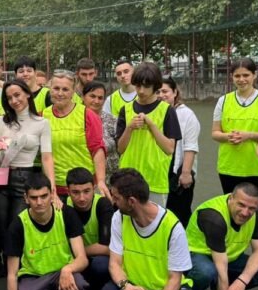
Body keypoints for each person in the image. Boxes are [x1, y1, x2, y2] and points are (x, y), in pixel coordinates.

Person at [98, 169, 200, 290]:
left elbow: (174, 279)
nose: (113, 201)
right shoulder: (119, 218)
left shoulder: (173, 228)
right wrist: (126, 286)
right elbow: (114, 263)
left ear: (131, 201)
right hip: (134, 288)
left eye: (116, 198)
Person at [0, 80, 57, 263]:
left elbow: (47, 157)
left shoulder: (42, 123)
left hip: (24, 178)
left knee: (17, 223)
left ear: (27, 94)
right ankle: (1, 261)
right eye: (9, 98)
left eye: (17, 95)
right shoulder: (1, 121)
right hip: (0, 177)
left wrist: (52, 188)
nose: (14, 101)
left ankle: (17, 264)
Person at [211, 57, 258, 241]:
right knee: (231, 211)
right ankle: (232, 251)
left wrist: (249, 135)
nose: (241, 79)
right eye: (237, 76)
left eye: (246, 75)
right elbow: (215, 133)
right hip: (229, 168)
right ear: (231, 77)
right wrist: (228, 137)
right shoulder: (223, 101)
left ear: (254, 75)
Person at [5, 173, 89, 290]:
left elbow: (82, 259)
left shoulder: (66, 213)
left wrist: (67, 269)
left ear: (52, 194)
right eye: (34, 197)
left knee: (78, 285)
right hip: (33, 277)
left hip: (61, 271)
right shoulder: (18, 225)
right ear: (26, 198)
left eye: (44, 196)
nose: (39, 202)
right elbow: (12, 275)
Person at [184, 184, 258, 290]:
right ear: (231, 198)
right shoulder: (214, 217)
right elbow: (221, 266)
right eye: (241, 205)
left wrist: (241, 281)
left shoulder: (256, 214)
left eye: (251, 208)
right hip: (197, 255)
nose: (245, 212)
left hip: (227, 256)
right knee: (206, 272)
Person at [116, 62, 181, 207]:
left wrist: (152, 126)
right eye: (138, 86)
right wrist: (129, 128)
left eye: (146, 86)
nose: (141, 91)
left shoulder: (167, 111)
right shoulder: (125, 110)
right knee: (126, 219)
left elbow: (169, 148)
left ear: (155, 86)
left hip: (155, 181)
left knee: (154, 220)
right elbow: (120, 149)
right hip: (127, 180)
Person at [43, 70, 110, 201]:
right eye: (56, 88)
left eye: (65, 89)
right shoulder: (42, 116)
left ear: (73, 91)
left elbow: (97, 149)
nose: (60, 93)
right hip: (55, 188)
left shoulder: (87, 115)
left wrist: (101, 180)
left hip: (83, 187)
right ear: (50, 90)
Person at [65, 168, 114, 290]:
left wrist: (79, 253)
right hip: (76, 259)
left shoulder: (103, 205)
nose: (82, 198)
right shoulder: (64, 205)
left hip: (96, 258)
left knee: (100, 265)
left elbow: (107, 248)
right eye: (75, 192)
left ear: (94, 188)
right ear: (68, 191)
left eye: (87, 191)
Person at [158, 77, 199, 226]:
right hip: (159, 172)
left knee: (180, 216)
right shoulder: (155, 112)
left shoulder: (186, 115)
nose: (161, 95)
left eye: (165, 91)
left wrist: (186, 173)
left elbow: (190, 146)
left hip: (178, 173)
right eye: (157, 91)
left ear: (175, 92)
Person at [81, 81, 119, 182]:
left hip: (110, 178)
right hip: (84, 179)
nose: (96, 101)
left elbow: (120, 147)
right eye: (92, 96)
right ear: (83, 97)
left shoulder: (112, 120)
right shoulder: (75, 118)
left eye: (100, 98)